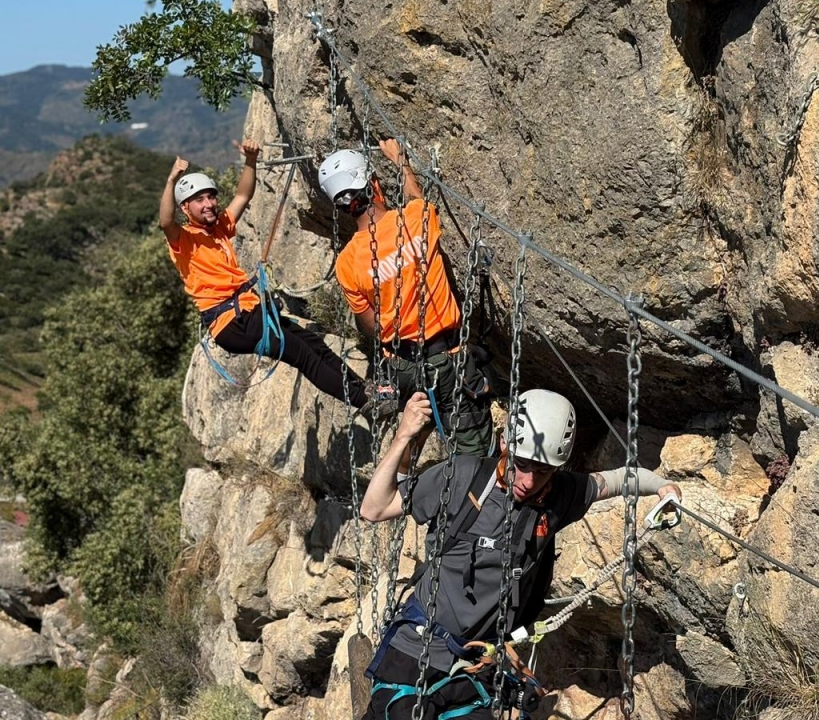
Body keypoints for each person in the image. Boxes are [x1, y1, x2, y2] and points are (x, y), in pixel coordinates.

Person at [358, 388, 683, 720]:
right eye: (521, 465)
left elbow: (616, 481)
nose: (528, 481)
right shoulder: (459, 478)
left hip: (474, 666)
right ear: (504, 444)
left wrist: (663, 486)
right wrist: (403, 436)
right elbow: (374, 507)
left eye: (541, 470)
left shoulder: (559, 495)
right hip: (415, 653)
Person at [159, 140, 393, 414]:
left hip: (247, 312)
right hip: (230, 321)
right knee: (303, 355)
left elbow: (243, 196)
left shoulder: (220, 228)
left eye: (211, 197)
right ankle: (365, 402)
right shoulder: (183, 240)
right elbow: (165, 221)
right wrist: (172, 179)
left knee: (311, 342)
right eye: (200, 200)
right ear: (185, 208)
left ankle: (364, 389)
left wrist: (250, 160)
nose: (209, 203)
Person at [319, 139, 492, 456]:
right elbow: (416, 196)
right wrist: (400, 160)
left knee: (421, 423)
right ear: (373, 183)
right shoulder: (415, 220)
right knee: (475, 448)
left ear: (340, 206)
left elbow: (372, 327)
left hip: (404, 368)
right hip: (448, 357)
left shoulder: (346, 263)